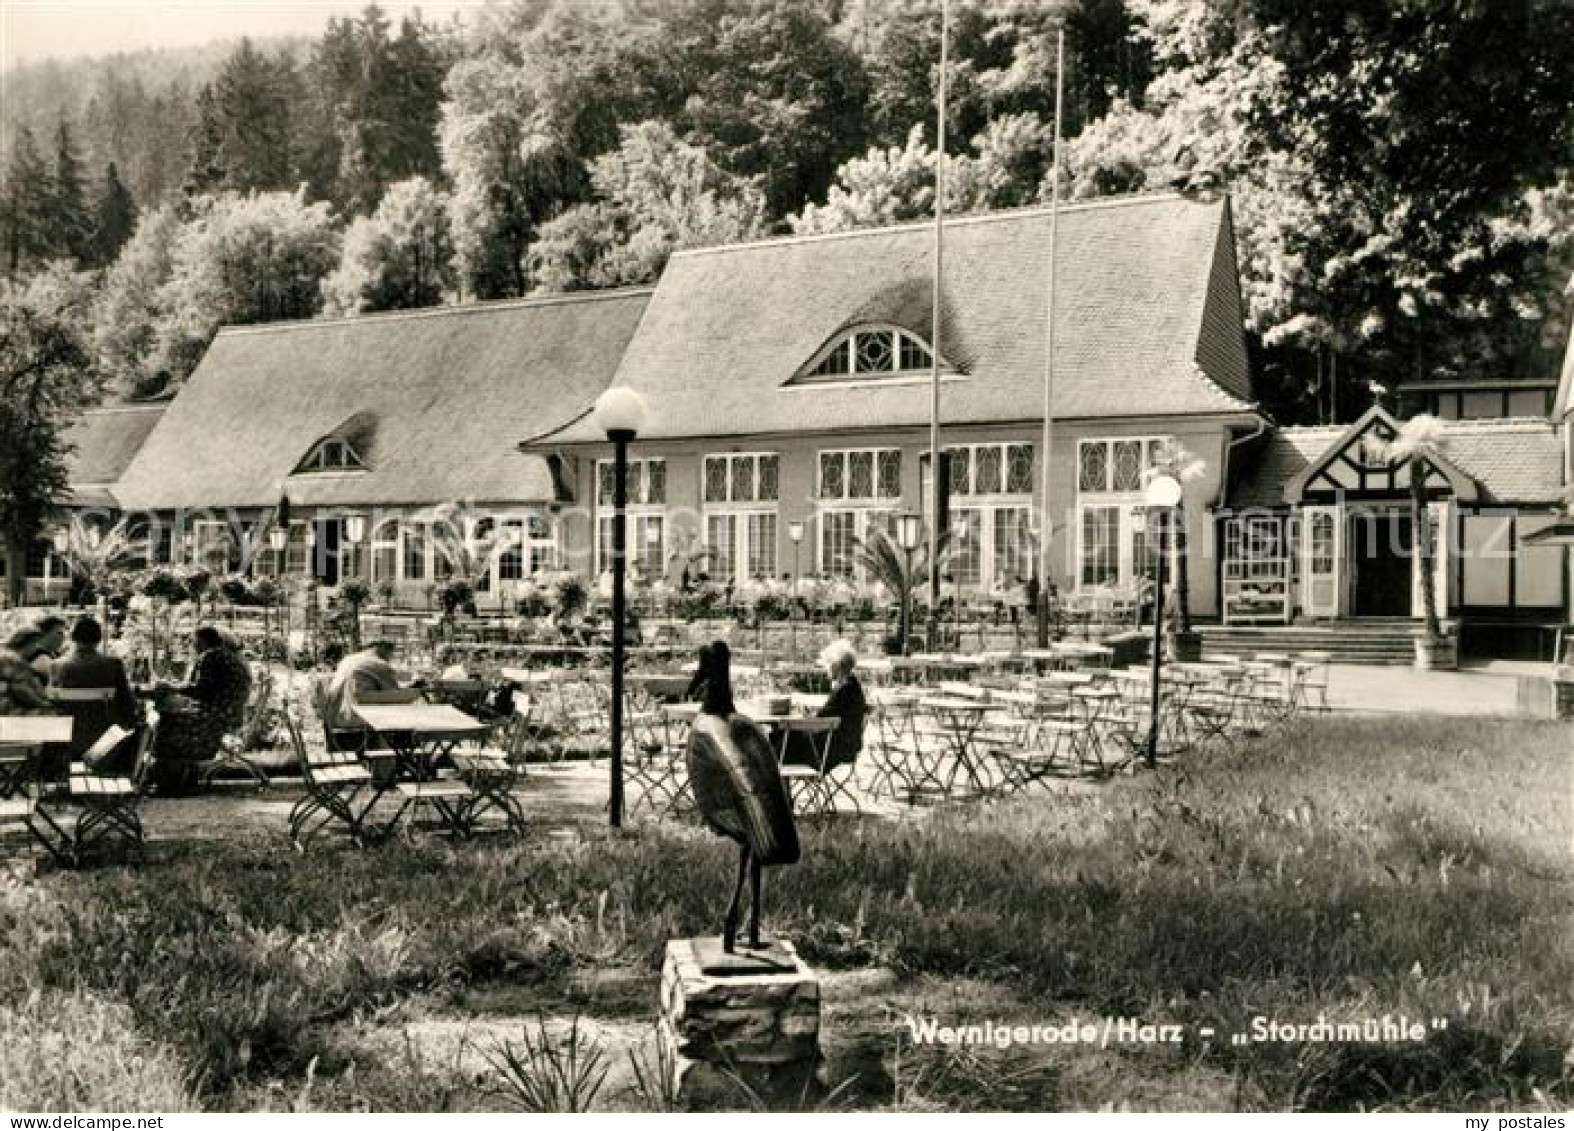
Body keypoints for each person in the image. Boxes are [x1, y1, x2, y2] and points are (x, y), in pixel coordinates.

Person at [147, 625, 253, 795]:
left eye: (194, 641)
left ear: (203, 641)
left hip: (216, 716)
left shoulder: (211, 656)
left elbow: (200, 691)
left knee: (167, 721)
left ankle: (168, 784)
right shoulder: (226, 656)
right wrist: (178, 689)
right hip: (228, 713)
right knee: (174, 714)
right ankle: (185, 779)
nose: (193, 645)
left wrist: (172, 687)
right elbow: (207, 689)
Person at [48, 615, 142, 773]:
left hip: (67, 738)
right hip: (106, 739)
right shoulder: (112, 665)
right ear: (98, 639)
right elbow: (127, 703)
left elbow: (53, 704)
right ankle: (120, 773)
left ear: (72, 638)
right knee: (137, 723)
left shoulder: (56, 666)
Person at [781, 639, 867, 772]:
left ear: (835, 666)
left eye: (826, 665)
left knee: (779, 739)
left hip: (831, 751)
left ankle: (776, 788)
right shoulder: (851, 685)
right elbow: (827, 715)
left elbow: (820, 722)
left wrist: (804, 720)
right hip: (843, 746)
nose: (825, 669)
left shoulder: (843, 690)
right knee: (782, 737)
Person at [321, 639, 404, 729]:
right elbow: (396, 695)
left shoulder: (347, 659)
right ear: (383, 648)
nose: (391, 656)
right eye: (391, 651)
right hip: (354, 720)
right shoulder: (379, 664)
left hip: (333, 718)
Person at [0, 624, 57, 715]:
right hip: (8, 710)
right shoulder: (12, 660)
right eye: (36, 643)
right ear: (29, 642)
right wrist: (44, 704)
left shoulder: (6, 654)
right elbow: (21, 689)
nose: (38, 648)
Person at [27, 614, 67, 681]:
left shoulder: (53, 654)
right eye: (59, 633)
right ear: (44, 634)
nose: (63, 637)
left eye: (64, 633)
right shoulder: (41, 658)